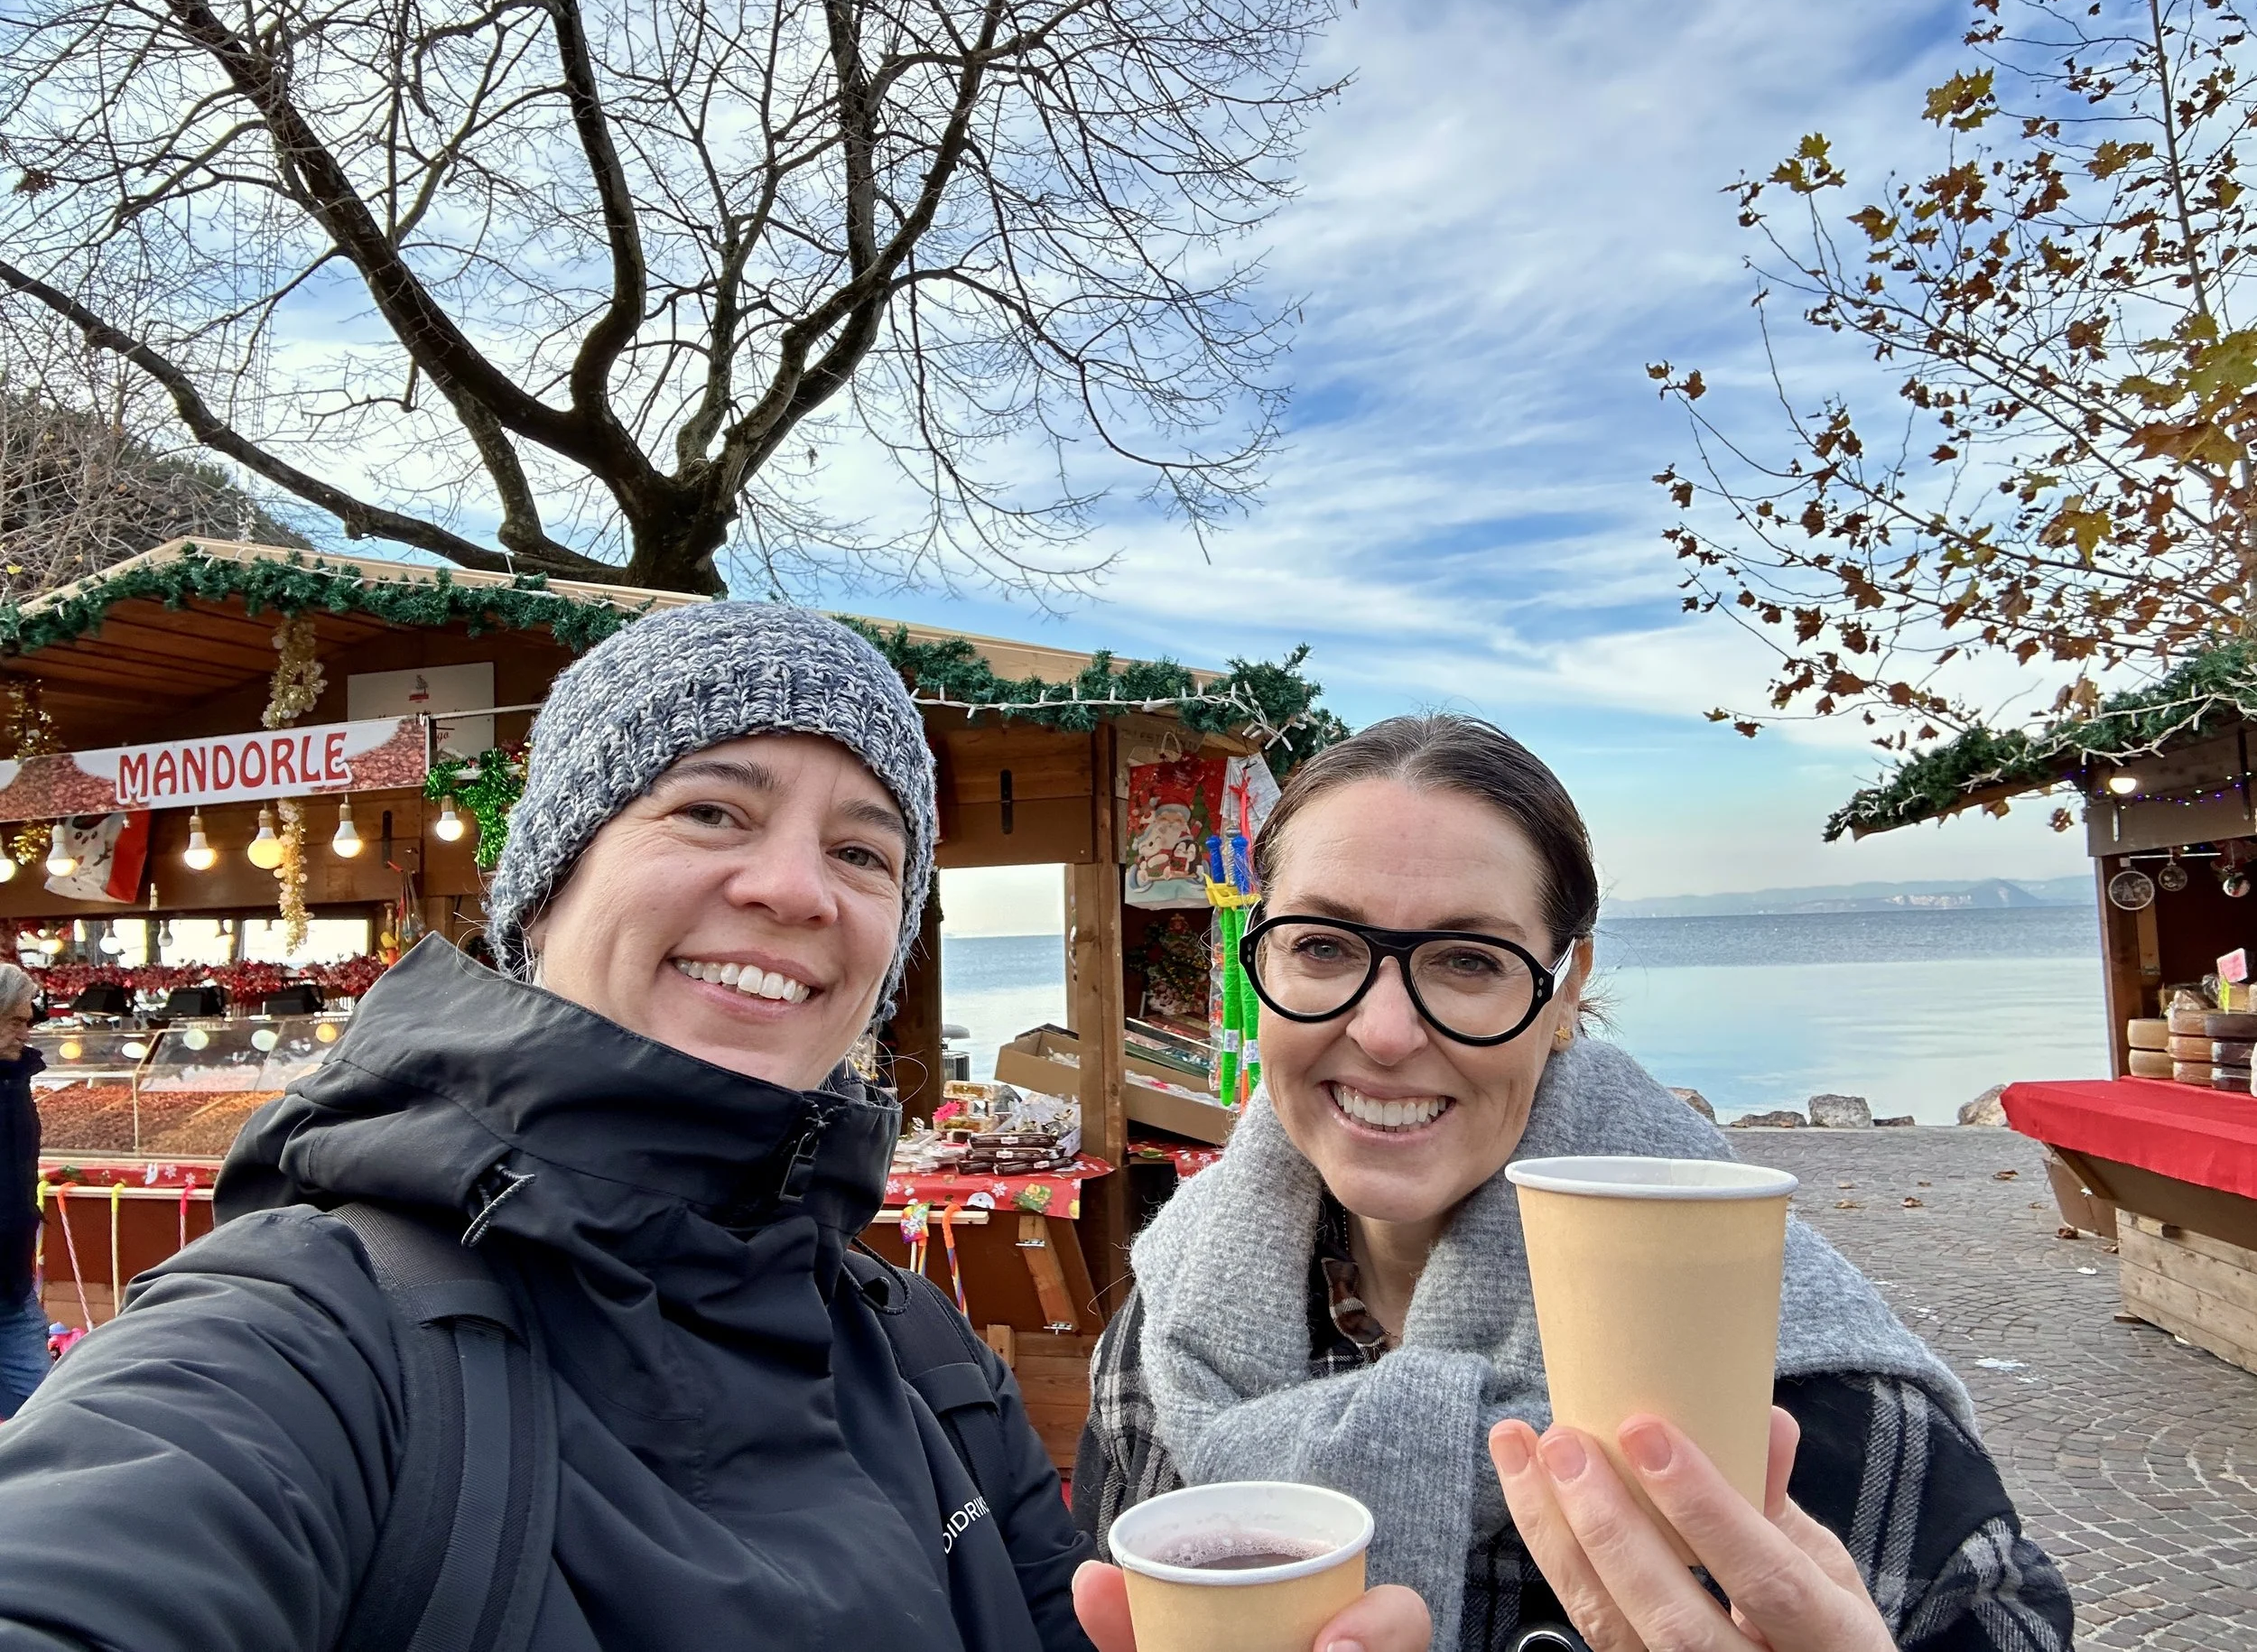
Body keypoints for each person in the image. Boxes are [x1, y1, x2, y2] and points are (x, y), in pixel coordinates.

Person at [0, 603, 1426, 1652]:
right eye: (709, 807)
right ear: (547, 887)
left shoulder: (920, 1357)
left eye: (864, 850)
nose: (797, 888)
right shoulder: (304, 1339)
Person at [1074, 714, 2076, 1652]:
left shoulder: (1788, 1383)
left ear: (1566, 987)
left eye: (1469, 960)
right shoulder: (1166, 1337)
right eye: (1324, 948)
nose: (1382, 1032)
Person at [0, 964, 46, 1418]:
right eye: (15, 1021)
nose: (25, 1031)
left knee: (42, 1416)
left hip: (11, 1285)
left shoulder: (15, 1080)